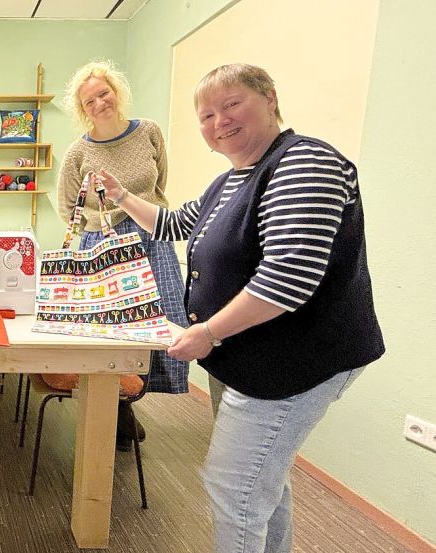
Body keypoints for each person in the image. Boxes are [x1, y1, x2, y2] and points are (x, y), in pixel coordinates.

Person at [97, 63, 385, 552]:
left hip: (294, 358)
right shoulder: (232, 180)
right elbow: (170, 223)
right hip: (252, 354)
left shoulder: (304, 162)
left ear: (269, 98)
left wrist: (207, 332)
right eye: (206, 115)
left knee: (235, 486)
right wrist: (122, 196)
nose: (219, 122)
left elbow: (286, 280)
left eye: (232, 105)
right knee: (260, 480)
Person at [56, 60, 191, 448]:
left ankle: (129, 398)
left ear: (116, 92)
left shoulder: (148, 132)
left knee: (158, 323)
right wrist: (102, 226)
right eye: (90, 100)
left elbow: (159, 184)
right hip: (103, 246)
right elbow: (70, 209)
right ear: (82, 110)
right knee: (110, 329)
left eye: (104, 93)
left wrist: (137, 213)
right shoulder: (78, 153)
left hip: (151, 238)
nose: (99, 103)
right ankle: (118, 408)